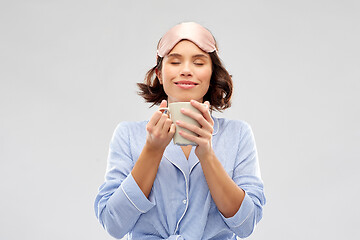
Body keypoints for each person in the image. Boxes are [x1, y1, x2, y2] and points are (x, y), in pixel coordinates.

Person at [94, 22, 266, 240]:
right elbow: (113, 223)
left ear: (212, 73)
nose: (186, 70)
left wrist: (206, 154)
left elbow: (245, 225)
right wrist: (152, 151)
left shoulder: (238, 134)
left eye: (199, 62)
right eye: (175, 61)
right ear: (159, 72)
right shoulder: (128, 135)